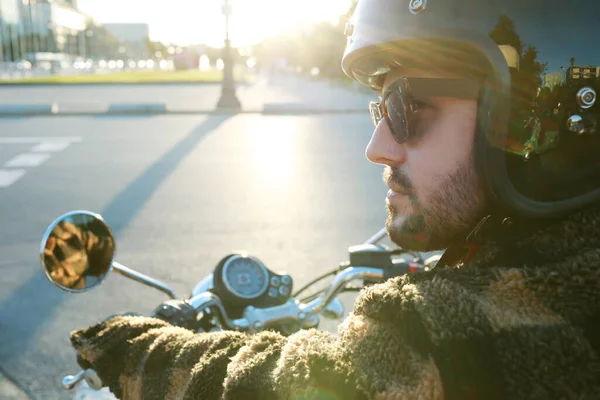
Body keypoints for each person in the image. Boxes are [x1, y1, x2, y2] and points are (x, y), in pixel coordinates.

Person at [69, 1, 600, 399]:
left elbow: (269, 387)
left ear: (527, 113)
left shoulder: (448, 336)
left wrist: (127, 344)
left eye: (407, 108)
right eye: (380, 110)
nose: (377, 148)